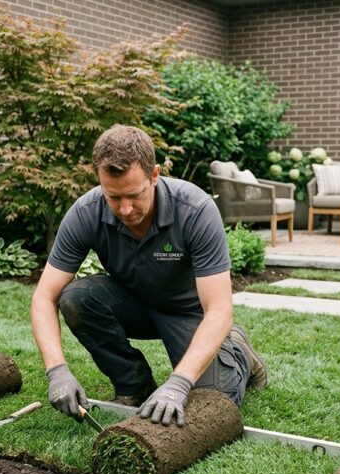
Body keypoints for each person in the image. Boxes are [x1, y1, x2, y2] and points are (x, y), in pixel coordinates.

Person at [30, 125, 266, 427]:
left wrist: (180, 382)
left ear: (154, 175)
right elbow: (43, 297)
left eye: (135, 195)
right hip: (133, 304)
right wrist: (57, 371)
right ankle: (134, 386)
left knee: (216, 398)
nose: (125, 209)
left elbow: (219, 309)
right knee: (76, 298)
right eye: (113, 197)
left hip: (187, 312)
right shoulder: (86, 212)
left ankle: (239, 352)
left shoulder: (195, 210)